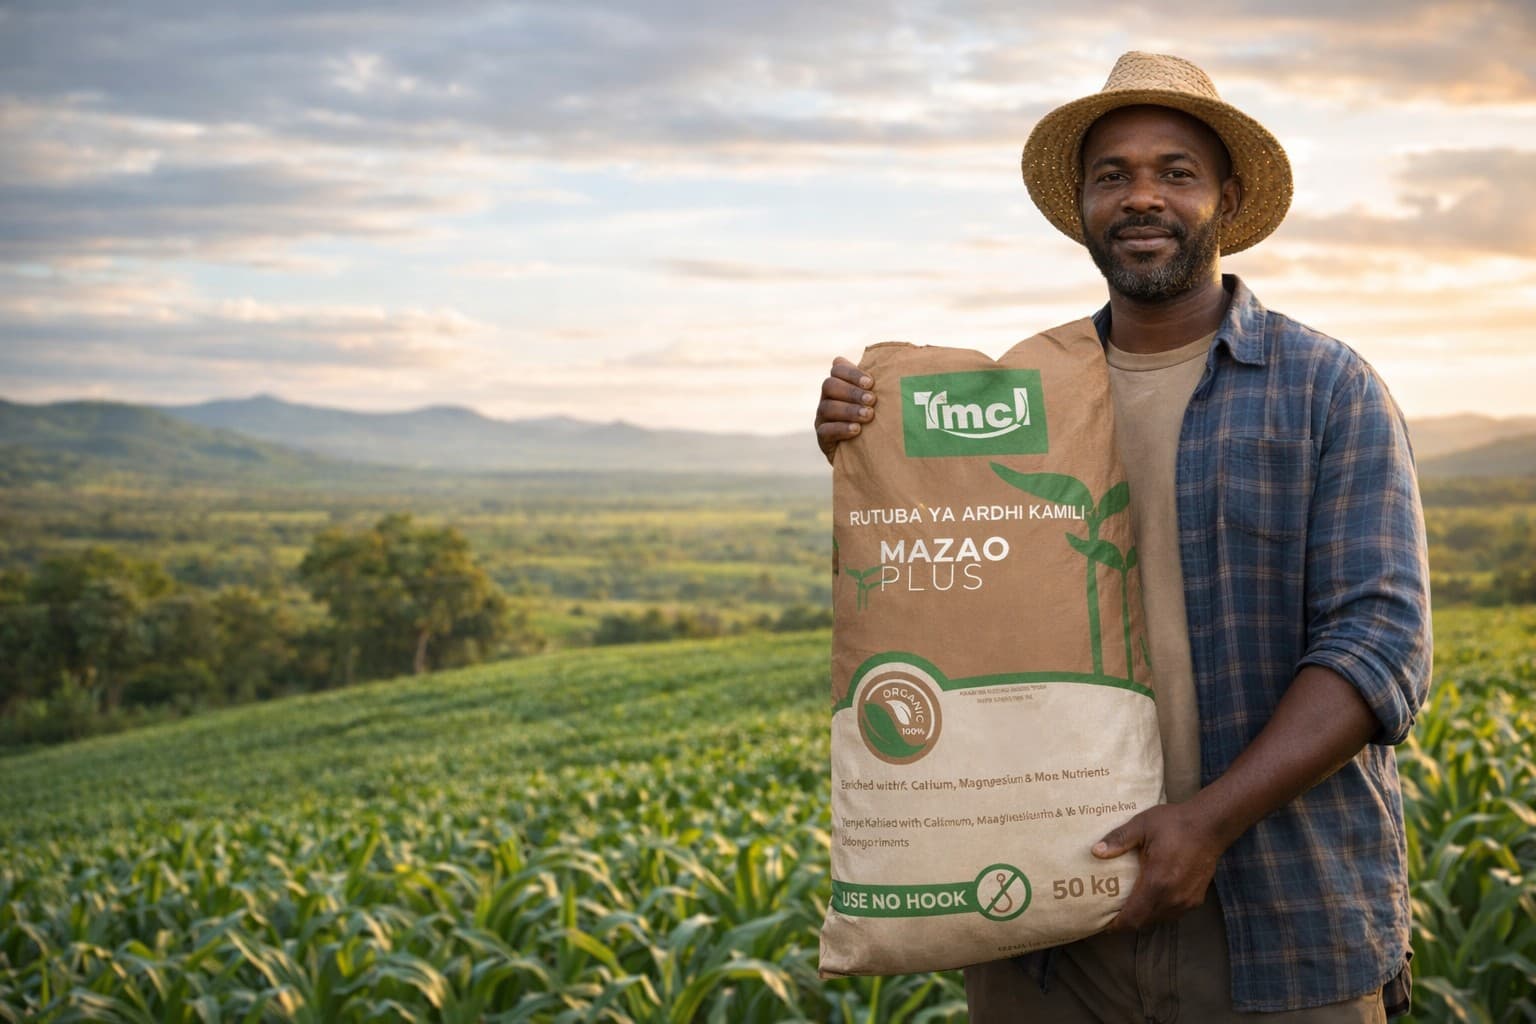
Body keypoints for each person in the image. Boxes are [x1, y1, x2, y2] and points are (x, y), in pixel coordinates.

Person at [813, 52, 1431, 1022]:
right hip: (1051, 941)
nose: (1142, 196)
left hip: (1281, 928)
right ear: (1084, 205)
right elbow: (944, 566)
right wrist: (867, 444)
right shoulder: (1030, 392)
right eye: (1114, 175)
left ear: (1225, 196)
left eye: (1175, 171)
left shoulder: (1327, 387)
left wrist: (1205, 824)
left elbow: (1380, 643)